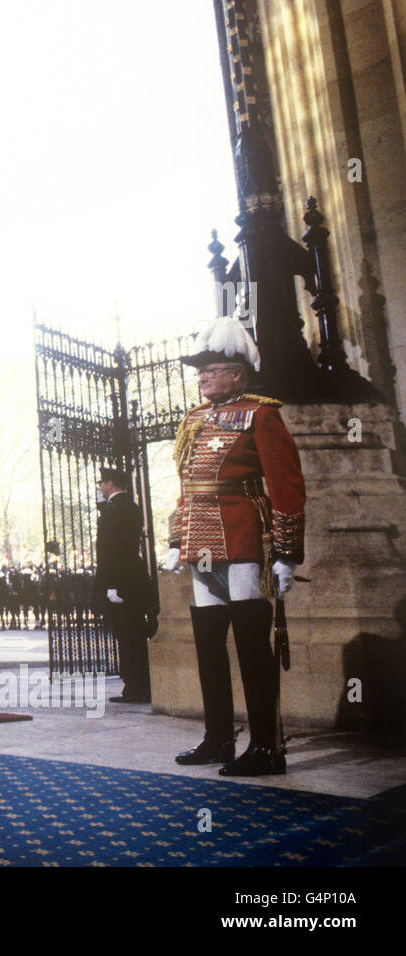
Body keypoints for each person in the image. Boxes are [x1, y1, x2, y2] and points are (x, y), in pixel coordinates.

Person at [165, 316, 305, 776]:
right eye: (200, 369)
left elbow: (285, 484)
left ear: (237, 374)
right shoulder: (194, 419)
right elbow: (186, 485)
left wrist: (287, 551)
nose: (202, 375)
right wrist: (176, 537)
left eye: (212, 367)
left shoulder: (261, 413)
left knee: (250, 644)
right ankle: (219, 738)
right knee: (208, 644)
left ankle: (266, 744)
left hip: (243, 535)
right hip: (200, 541)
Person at [93, 466, 151, 703]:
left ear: (111, 484)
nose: (100, 487)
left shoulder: (112, 510)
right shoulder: (133, 507)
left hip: (120, 580)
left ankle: (134, 687)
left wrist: (110, 584)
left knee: (126, 635)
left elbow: (109, 550)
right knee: (135, 633)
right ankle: (139, 684)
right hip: (134, 577)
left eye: (102, 483)